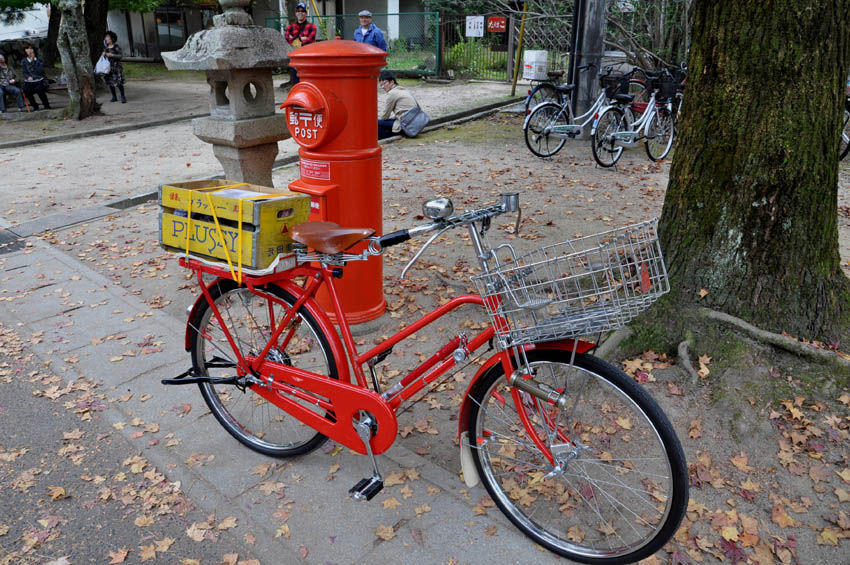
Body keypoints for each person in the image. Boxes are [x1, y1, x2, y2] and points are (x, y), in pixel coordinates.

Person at [284, 2, 317, 86]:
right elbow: (287, 40)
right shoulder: (290, 27)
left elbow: (310, 41)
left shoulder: (312, 27)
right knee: (296, 84)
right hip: (295, 60)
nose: (300, 13)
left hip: (308, 60)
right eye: (298, 11)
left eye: (302, 11)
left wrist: (294, 39)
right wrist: (300, 39)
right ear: (296, 13)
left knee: (307, 83)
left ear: (306, 13)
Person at [377, 71, 417, 140]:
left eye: (384, 83)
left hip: (406, 125)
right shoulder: (403, 89)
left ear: (392, 82)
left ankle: (383, 140)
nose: (383, 87)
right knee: (385, 123)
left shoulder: (392, 93)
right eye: (381, 85)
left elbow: (385, 116)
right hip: (414, 122)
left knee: (377, 123)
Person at [21, 43, 50, 111]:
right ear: (25, 51)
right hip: (30, 82)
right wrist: (28, 77)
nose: (29, 50)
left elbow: (40, 71)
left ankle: (46, 105)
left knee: (39, 89)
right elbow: (24, 72)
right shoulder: (24, 61)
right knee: (26, 90)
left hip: (41, 80)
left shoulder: (39, 60)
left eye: (31, 48)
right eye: (27, 49)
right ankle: (35, 106)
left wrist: (33, 60)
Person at [103, 31, 126, 103]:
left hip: (116, 67)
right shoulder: (106, 48)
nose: (106, 39)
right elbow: (104, 59)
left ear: (112, 39)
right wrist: (104, 54)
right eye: (105, 37)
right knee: (110, 82)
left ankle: (123, 96)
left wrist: (112, 55)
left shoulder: (116, 46)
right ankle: (114, 96)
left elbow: (121, 56)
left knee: (119, 82)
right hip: (108, 68)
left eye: (107, 37)